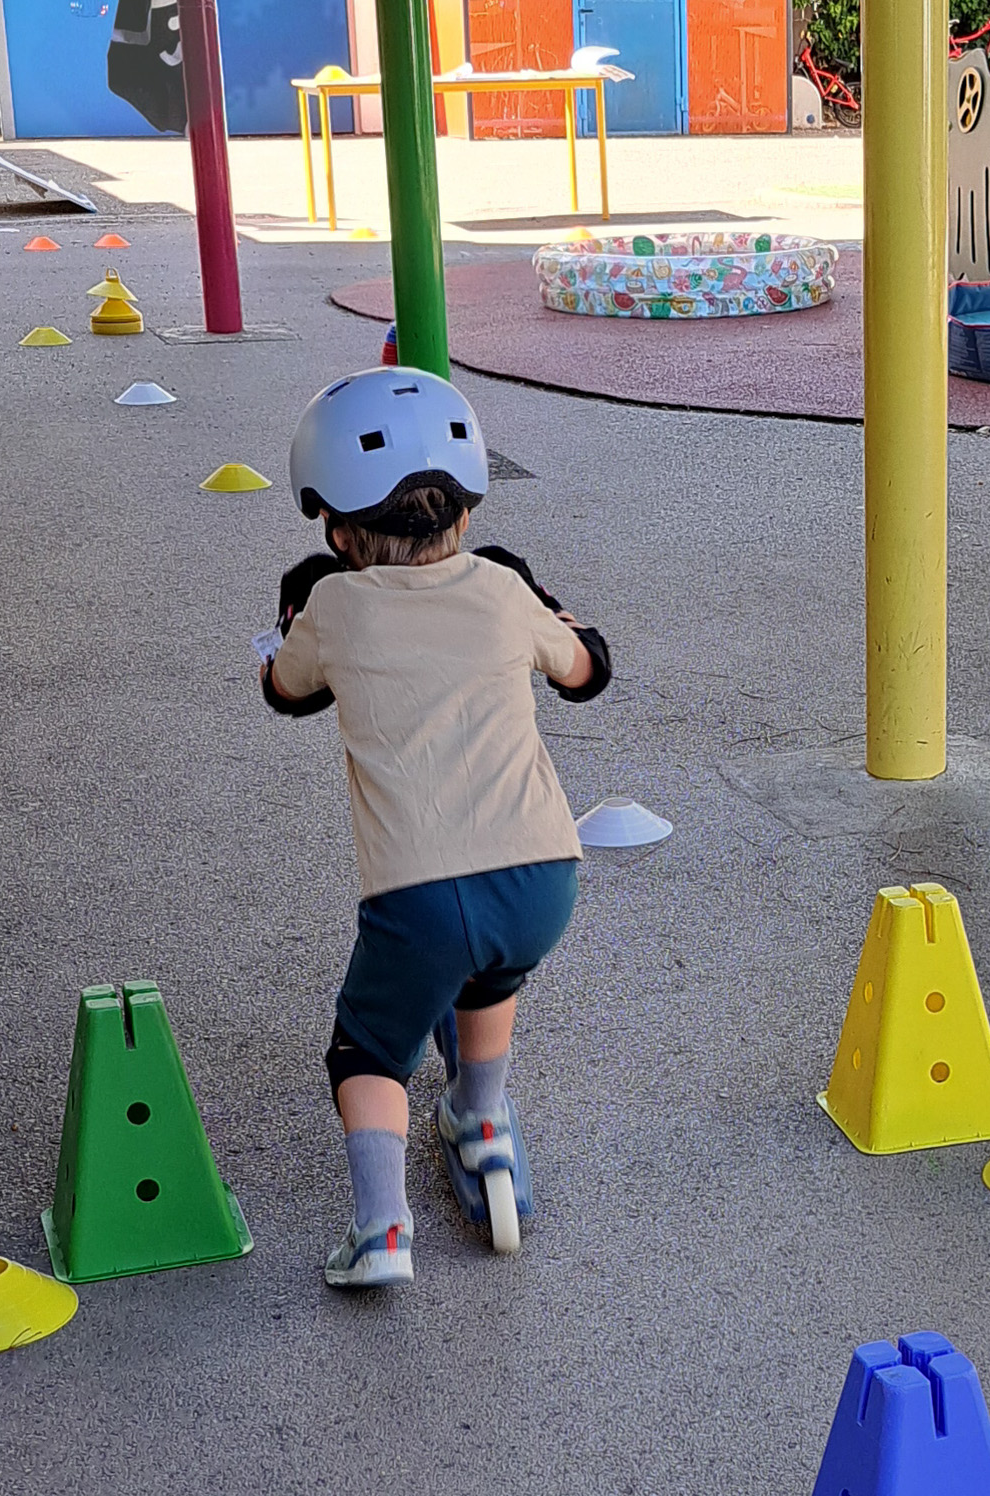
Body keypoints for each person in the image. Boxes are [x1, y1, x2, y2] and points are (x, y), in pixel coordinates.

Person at [260, 368, 610, 1288]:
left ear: (336, 531)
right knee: (492, 976)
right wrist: (549, 615)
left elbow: (284, 689)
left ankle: (380, 1229)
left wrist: (294, 623)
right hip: (542, 875)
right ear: (466, 509)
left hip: (417, 895)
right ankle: (482, 1123)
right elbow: (583, 672)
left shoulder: (332, 605)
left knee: (368, 1050)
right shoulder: (501, 588)